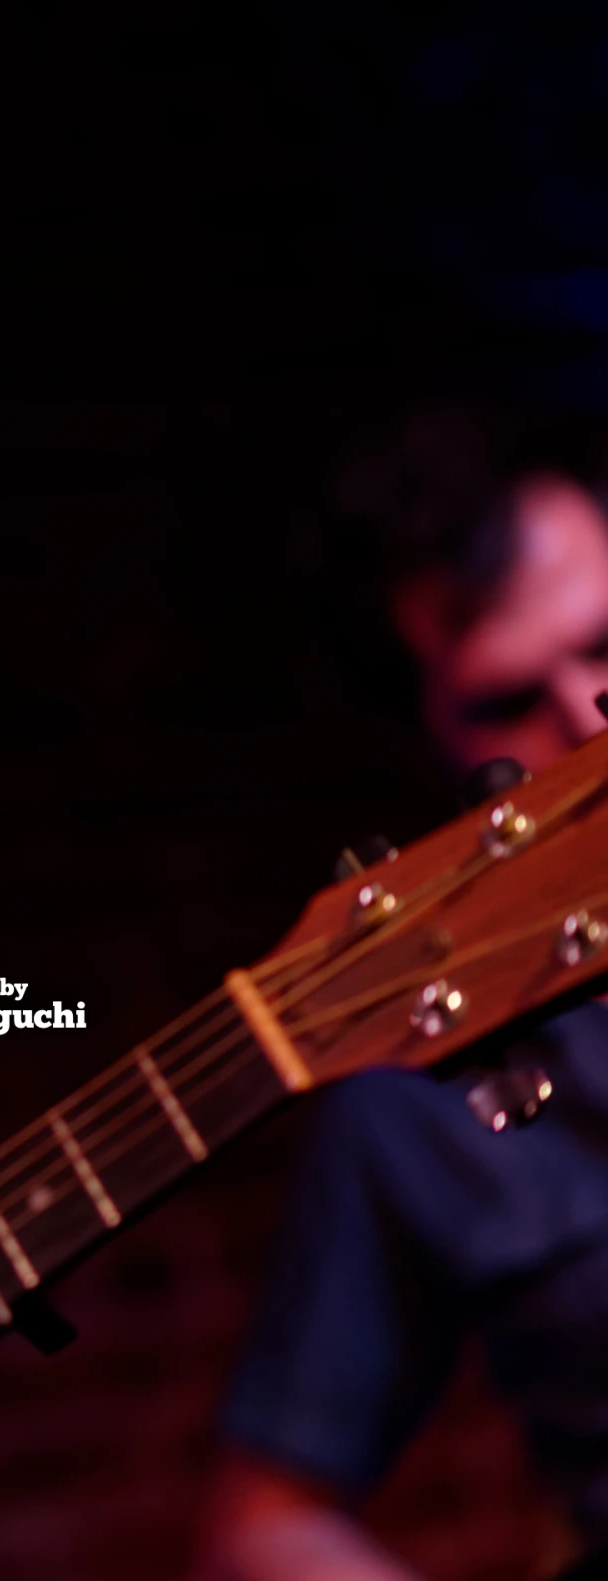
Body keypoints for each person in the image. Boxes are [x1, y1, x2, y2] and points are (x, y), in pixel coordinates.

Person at [196, 408, 608, 1580]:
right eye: (502, 702)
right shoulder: (409, 1089)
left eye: (607, 643)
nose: (584, 721)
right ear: (428, 741)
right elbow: (259, 1535)